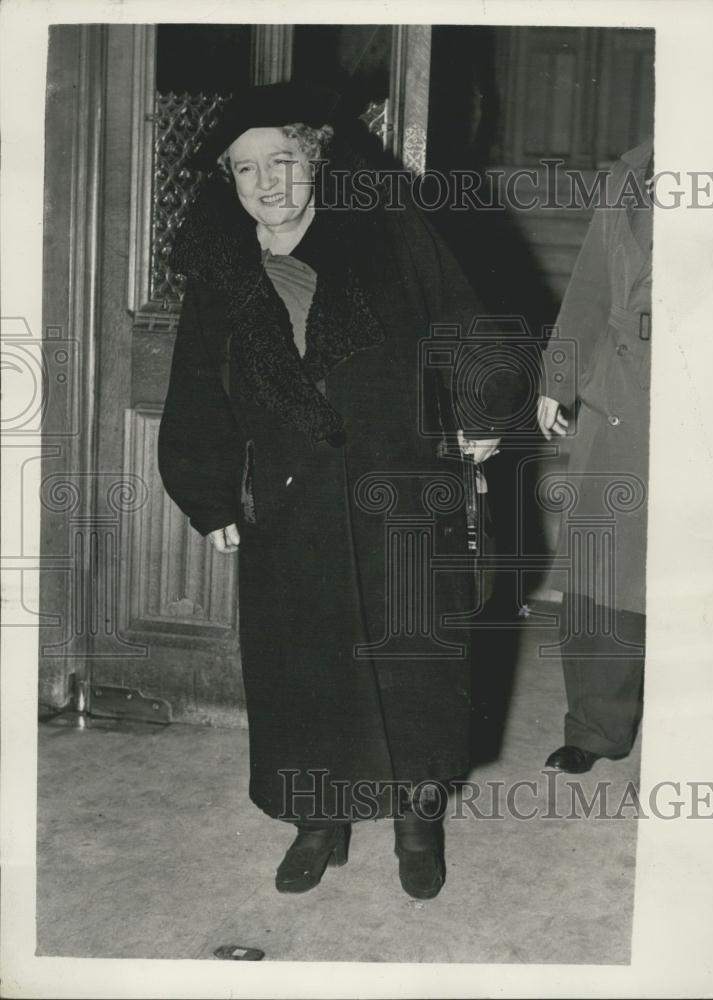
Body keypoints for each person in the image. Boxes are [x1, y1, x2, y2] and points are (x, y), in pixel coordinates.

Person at [158, 83, 527, 897]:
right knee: (303, 671)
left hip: (400, 488)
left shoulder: (387, 235)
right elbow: (197, 389)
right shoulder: (222, 269)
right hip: (291, 505)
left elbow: (465, 324)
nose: (266, 183)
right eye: (246, 168)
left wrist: (480, 409)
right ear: (229, 178)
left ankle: (416, 825)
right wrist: (210, 495)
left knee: (413, 668)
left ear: (315, 161)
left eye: (282, 161)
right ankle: (318, 820)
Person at [538, 138, 653, 774]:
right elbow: (587, 287)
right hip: (621, 388)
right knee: (602, 559)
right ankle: (595, 727)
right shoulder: (632, 170)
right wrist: (559, 377)